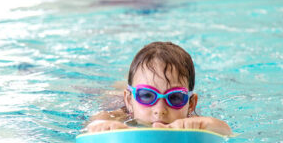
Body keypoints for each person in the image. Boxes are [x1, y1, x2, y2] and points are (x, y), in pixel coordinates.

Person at [86, 42, 232, 136]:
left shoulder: (190, 121)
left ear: (191, 104)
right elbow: (95, 124)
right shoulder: (118, 118)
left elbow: (225, 131)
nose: (160, 109)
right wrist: (103, 127)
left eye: (175, 97)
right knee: (113, 93)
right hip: (117, 101)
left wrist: (202, 125)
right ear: (130, 100)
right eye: (147, 95)